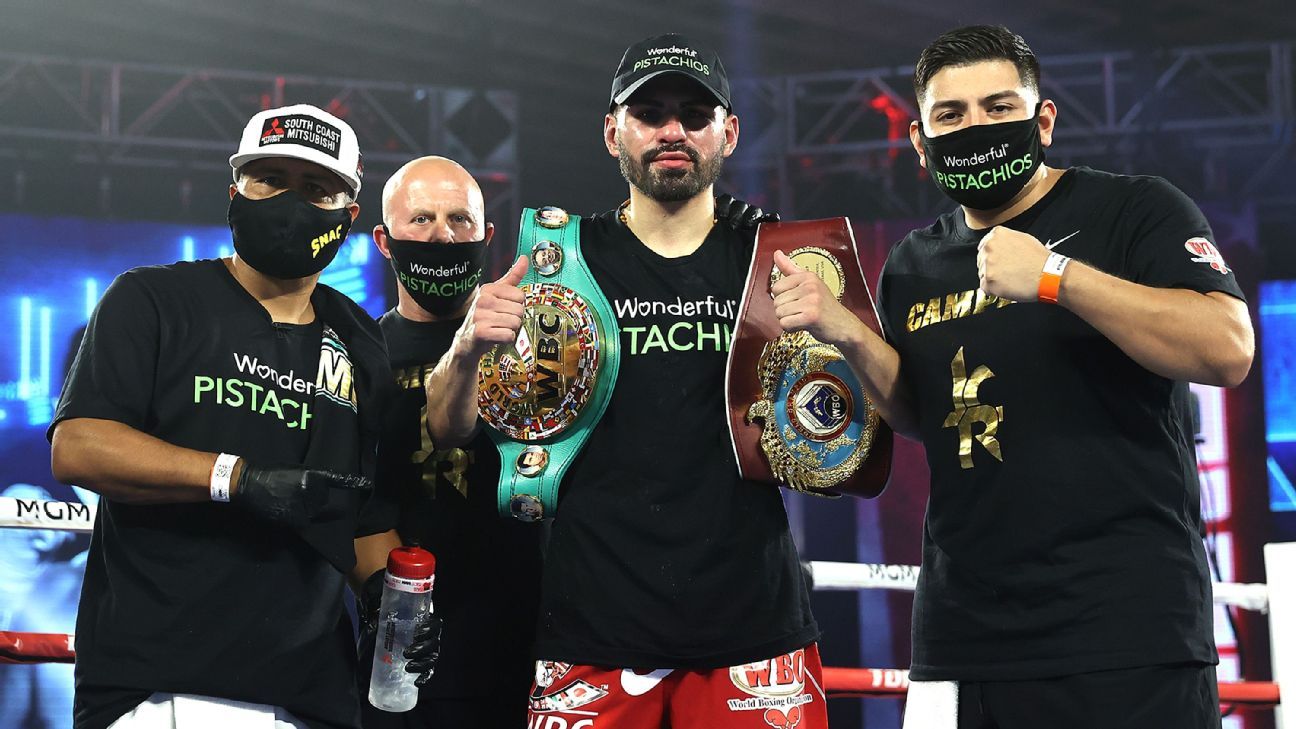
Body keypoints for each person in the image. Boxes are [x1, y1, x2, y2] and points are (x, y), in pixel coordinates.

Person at [771, 25, 1254, 729]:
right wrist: (847, 332)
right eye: (952, 115)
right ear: (920, 140)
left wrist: (1057, 277)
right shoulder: (913, 261)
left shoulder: (1133, 210)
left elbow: (1229, 348)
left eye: (999, 107)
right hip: (967, 633)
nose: (977, 128)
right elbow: (917, 410)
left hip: (1124, 627)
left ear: (1044, 120)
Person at [424, 33, 828, 729]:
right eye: (650, 112)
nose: (673, 130)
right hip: (593, 628)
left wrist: (836, 330)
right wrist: (466, 348)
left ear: (727, 133)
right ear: (613, 131)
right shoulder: (556, 265)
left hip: (752, 626)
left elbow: (853, 429)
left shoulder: (778, 262)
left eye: (695, 114)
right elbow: (447, 426)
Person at [47, 103, 427, 729]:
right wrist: (237, 477)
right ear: (234, 193)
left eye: (315, 188)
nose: (289, 201)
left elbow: (363, 516)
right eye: (270, 179)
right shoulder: (151, 300)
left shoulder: (360, 338)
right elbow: (80, 445)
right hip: (159, 687)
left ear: (348, 217)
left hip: (313, 695)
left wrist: (398, 611)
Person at [359, 155, 542, 729]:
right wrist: (380, 602)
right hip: (406, 660)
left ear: (488, 236)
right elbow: (354, 504)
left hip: (534, 645)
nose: (443, 234)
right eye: (422, 219)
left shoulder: (545, 350)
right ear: (385, 242)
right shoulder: (359, 356)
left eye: (460, 220)